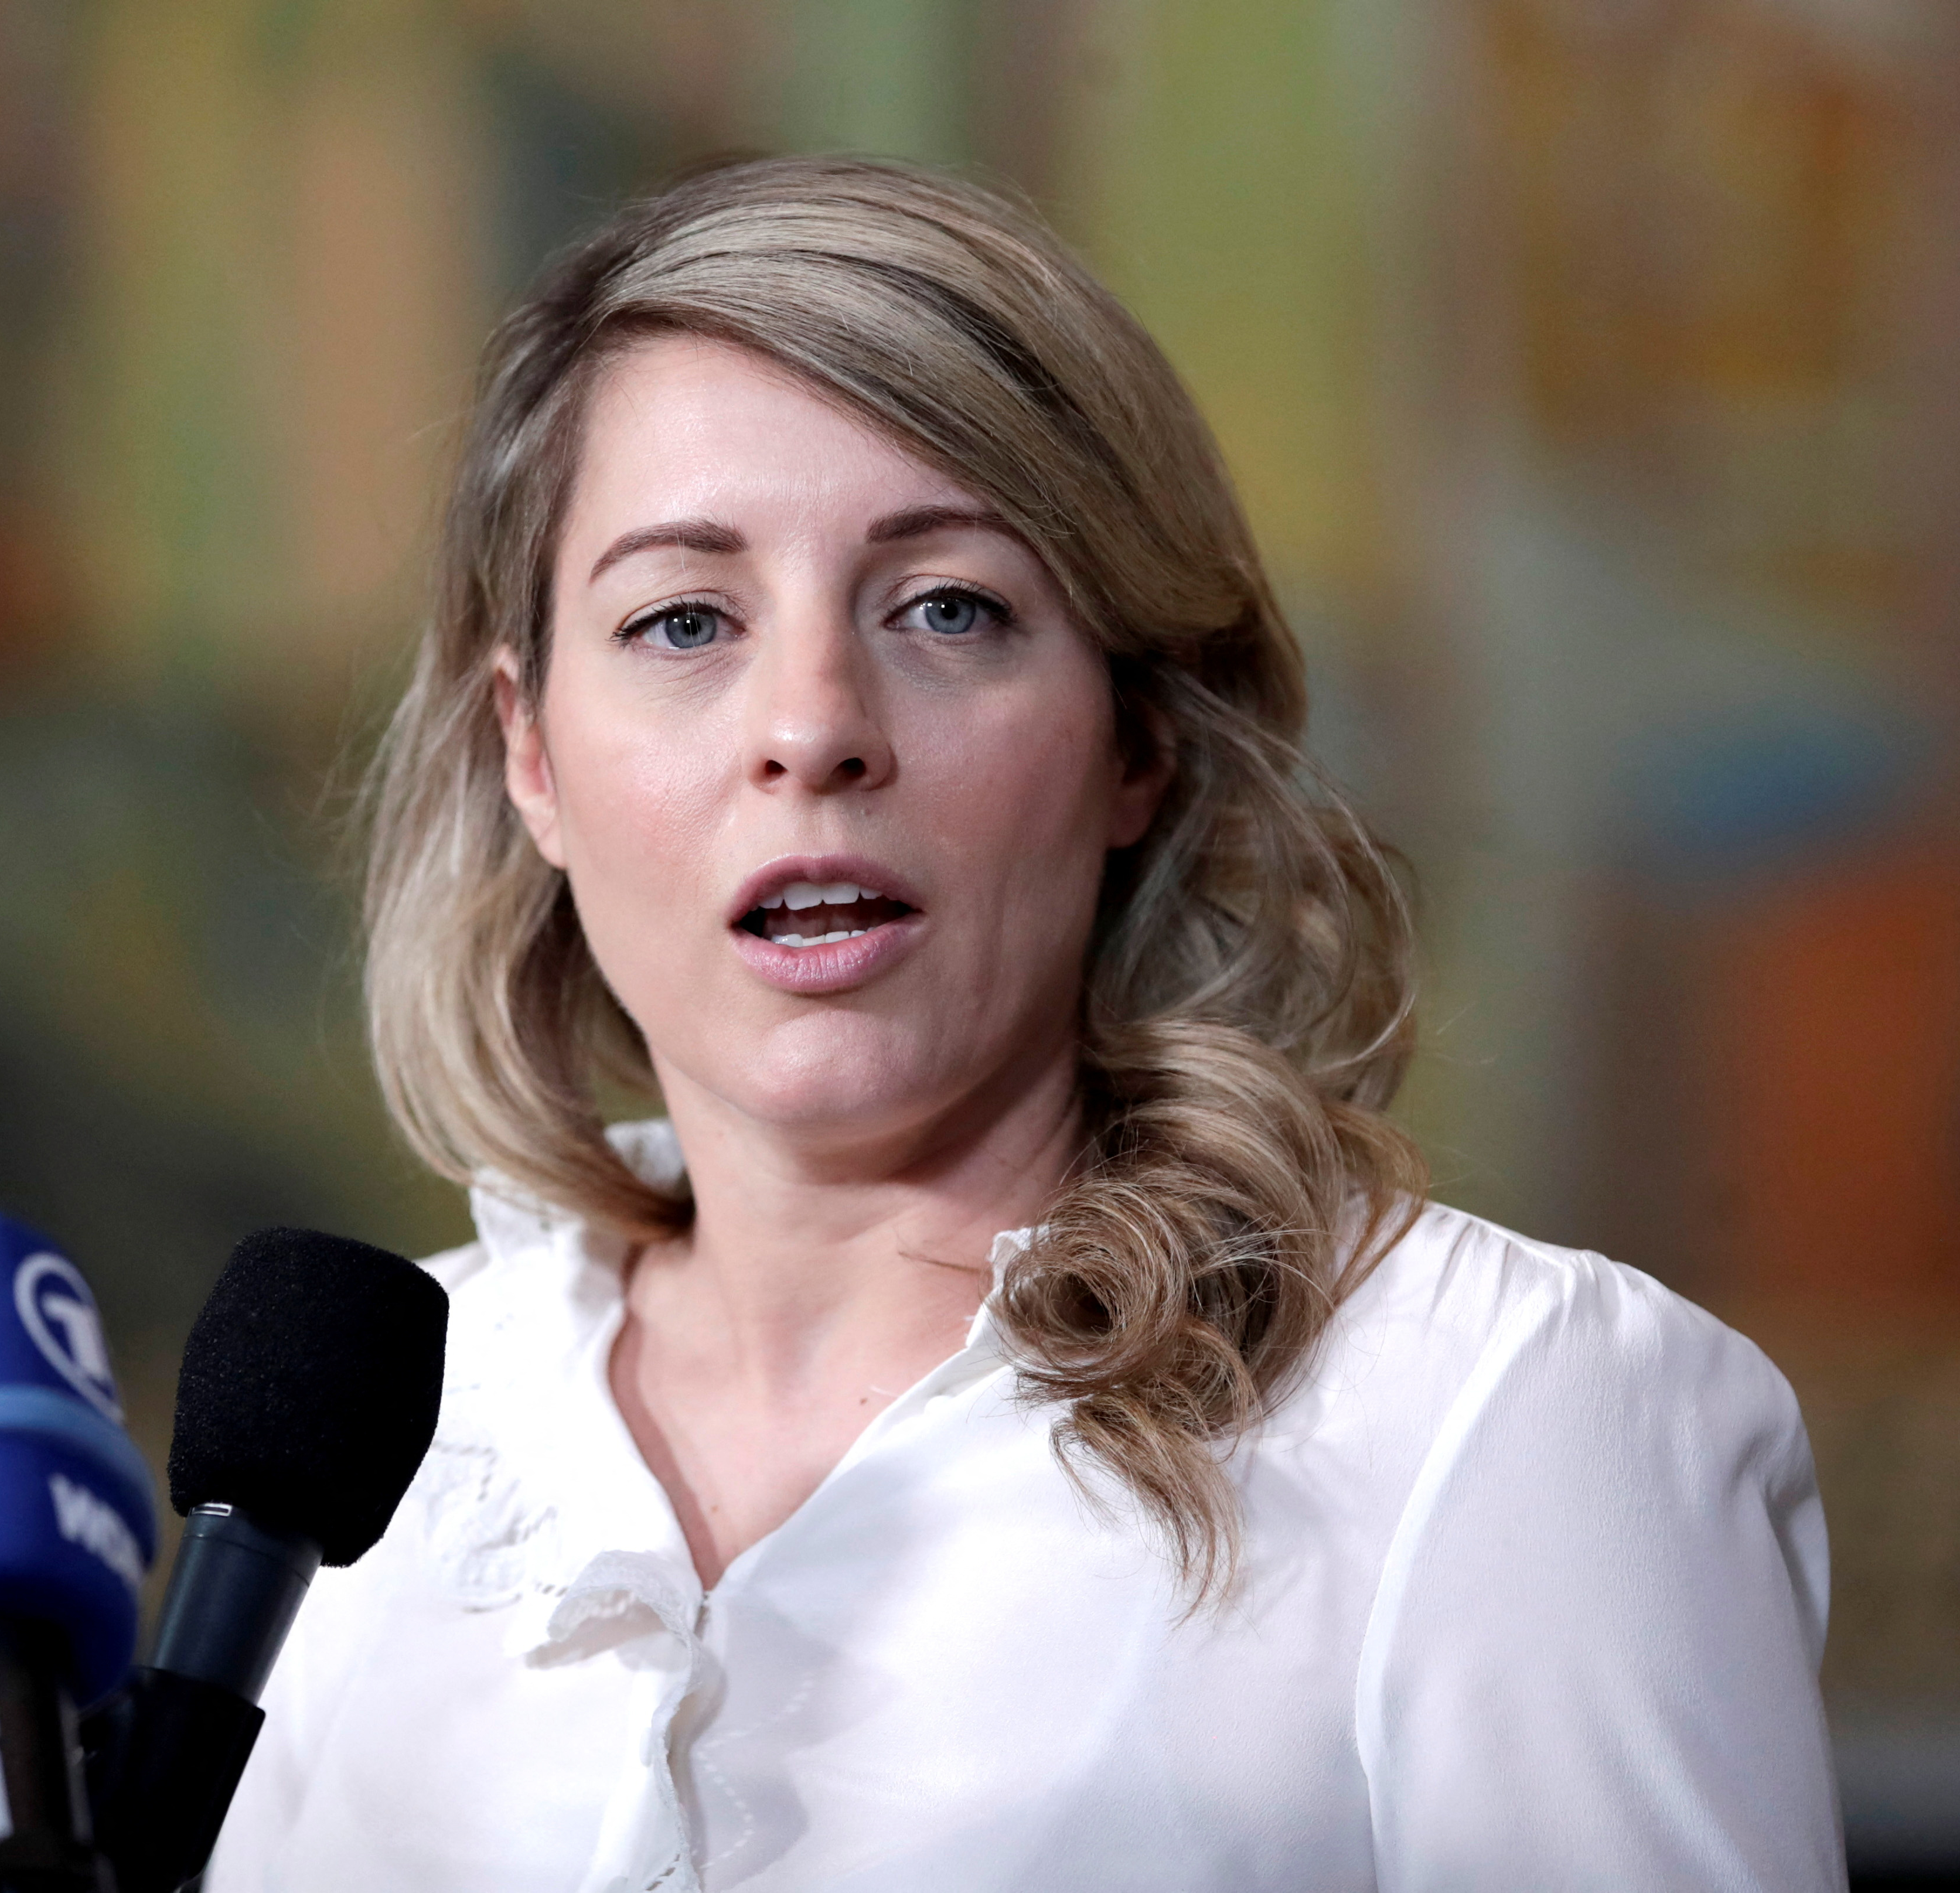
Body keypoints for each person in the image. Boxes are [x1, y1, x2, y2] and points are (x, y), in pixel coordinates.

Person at [204, 155, 1843, 1892]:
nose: (815, 727)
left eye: (948, 610)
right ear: (532, 753)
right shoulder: (364, 1446)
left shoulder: (1511, 1419)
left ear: (1139, 739)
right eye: (684, 620)